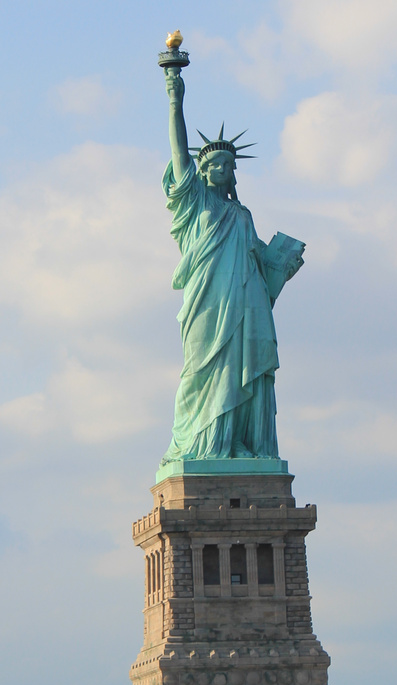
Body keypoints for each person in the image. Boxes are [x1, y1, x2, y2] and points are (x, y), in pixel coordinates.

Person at [160, 65, 304, 463]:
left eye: (230, 165)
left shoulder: (242, 215)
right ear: (204, 172)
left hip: (245, 305)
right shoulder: (196, 206)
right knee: (201, 372)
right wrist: (176, 100)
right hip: (208, 303)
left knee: (245, 368)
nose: (226, 170)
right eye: (217, 165)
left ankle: (236, 442)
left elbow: (259, 268)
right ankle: (203, 445)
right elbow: (178, 154)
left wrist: (282, 267)